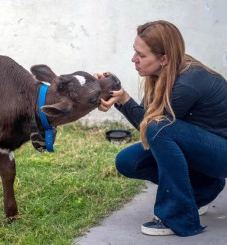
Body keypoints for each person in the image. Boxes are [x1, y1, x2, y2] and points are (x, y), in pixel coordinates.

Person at [95, 20, 227, 237]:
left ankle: (178, 216)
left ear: (163, 59)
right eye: (134, 51)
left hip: (221, 154)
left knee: (160, 129)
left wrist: (124, 100)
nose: (133, 59)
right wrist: (120, 97)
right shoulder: (165, 72)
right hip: (205, 149)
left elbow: (153, 128)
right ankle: (203, 189)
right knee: (128, 161)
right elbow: (149, 122)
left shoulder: (187, 83)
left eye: (141, 55)